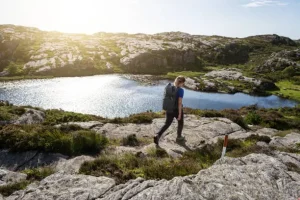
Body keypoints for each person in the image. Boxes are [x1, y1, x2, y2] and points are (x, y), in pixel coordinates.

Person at [154, 76, 186, 145]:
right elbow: (179, 103)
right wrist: (180, 114)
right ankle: (179, 137)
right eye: (183, 83)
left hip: (169, 110)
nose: (183, 85)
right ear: (182, 83)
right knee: (180, 123)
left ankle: (157, 135)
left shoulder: (169, 87)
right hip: (177, 110)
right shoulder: (180, 90)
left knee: (167, 124)